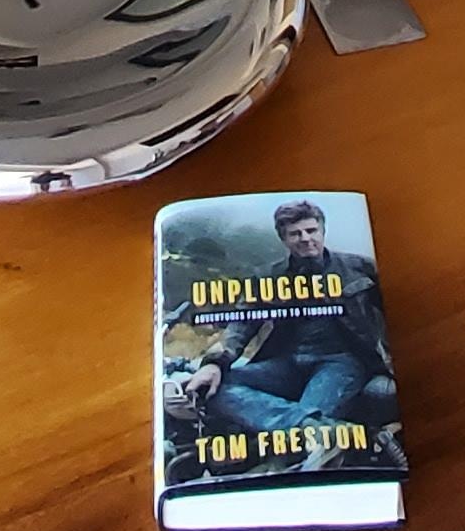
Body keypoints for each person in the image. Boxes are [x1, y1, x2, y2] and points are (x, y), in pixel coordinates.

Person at [169, 200, 398, 467]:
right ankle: (323, 429)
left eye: (311, 230)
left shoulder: (360, 268)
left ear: (323, 230)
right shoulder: (269, 277)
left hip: (341, 362)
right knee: (212, 388)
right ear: (283, 238)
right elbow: (242, 323)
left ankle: (320, 437)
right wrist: (214, 364)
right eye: (295, 234)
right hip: (286, 363)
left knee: (301, 441)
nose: (306, 239)